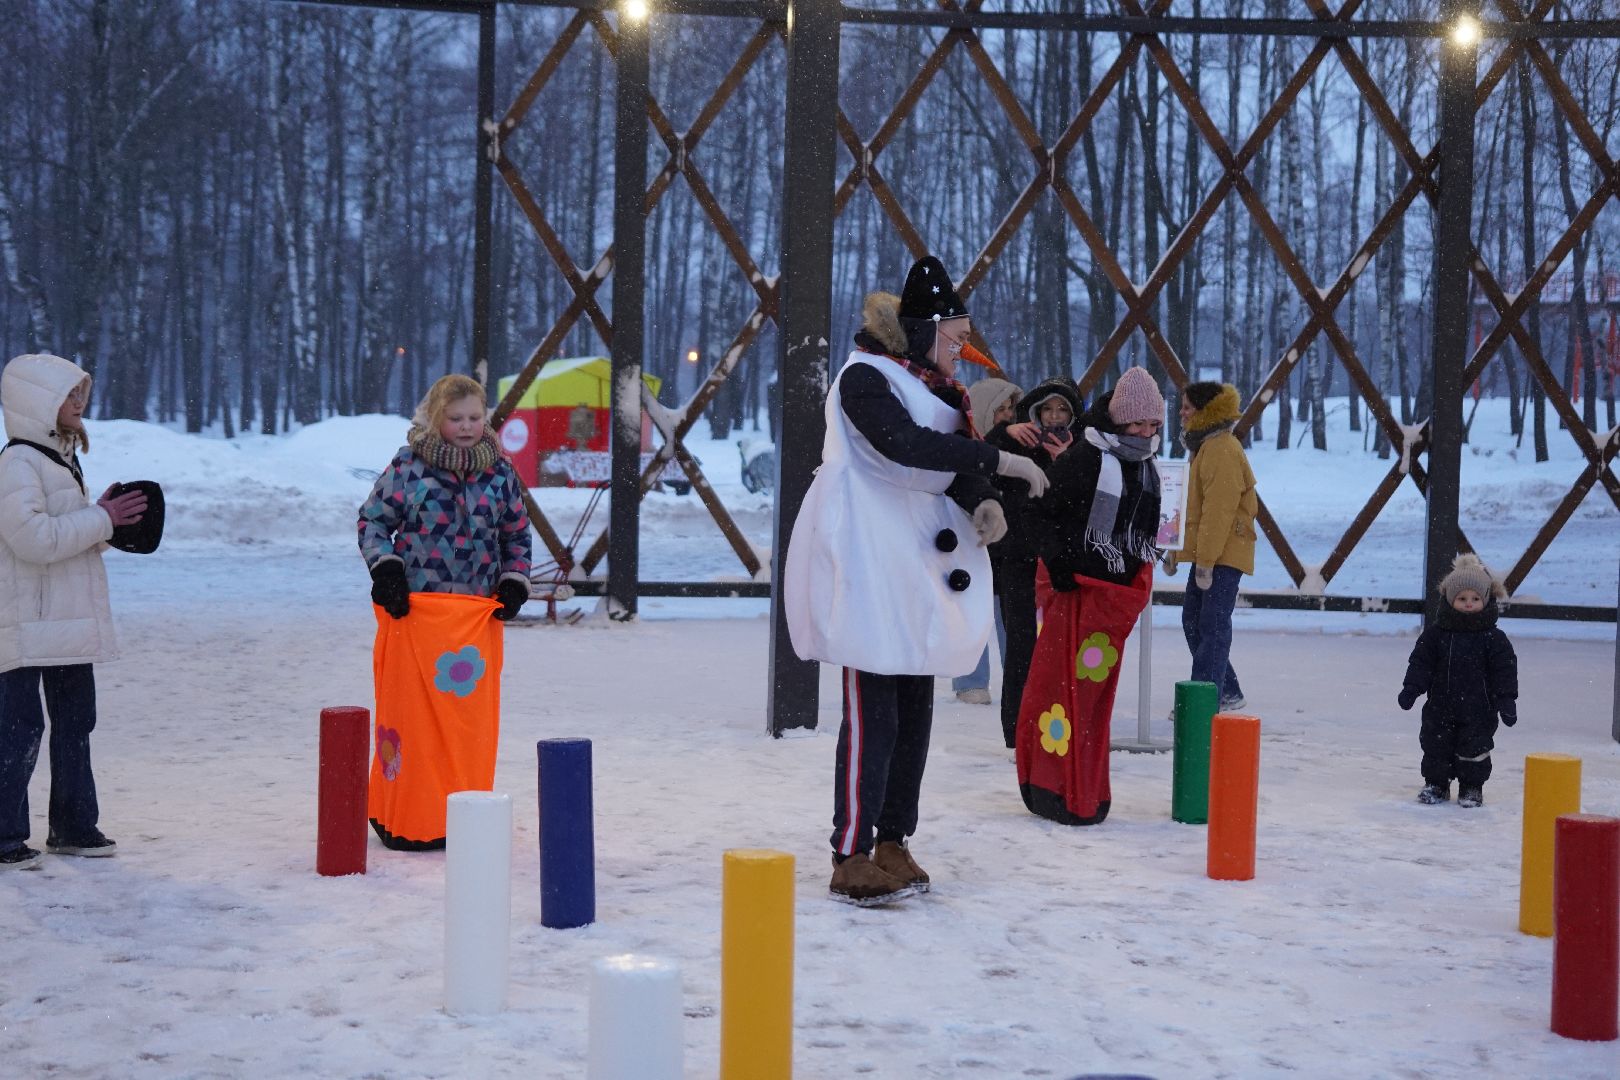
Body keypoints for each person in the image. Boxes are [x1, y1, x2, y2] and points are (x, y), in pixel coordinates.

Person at [784, 255, 1049, 905]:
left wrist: (980, 495)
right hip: (869, 555)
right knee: (873, 704)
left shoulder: (929, 385)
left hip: (914, 561)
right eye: (956, 339)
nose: (963, 352)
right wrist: (998, 459)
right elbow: (902, 446)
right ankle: (850, 848)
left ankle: (893, 837)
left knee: (913, 705)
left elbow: (941, 458)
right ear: (926, 330)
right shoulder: (865, 379)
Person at [357, 374, 533, 850]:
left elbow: (516, 534)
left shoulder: (499, 471)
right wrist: (386, 569)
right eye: (455, 418)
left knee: (466, 726)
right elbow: (373, 521)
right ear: (436, 418)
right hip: (415, 615)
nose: (466, 426)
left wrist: (514, 580)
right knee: (413, 724)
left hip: (474, 623)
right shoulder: (409, 466)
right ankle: (411, 817)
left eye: (475, 417)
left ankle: (464, 813)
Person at [0, 353, 149, 869]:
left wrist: (104, 521)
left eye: (82, 390)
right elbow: (33, 541)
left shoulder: (57, 458)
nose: (80, 401)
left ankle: (73, 825)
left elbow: (69, 540)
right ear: (38, 401)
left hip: (63, 621)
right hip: (26, 623)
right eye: (69, 392)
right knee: (18, 729)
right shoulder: (18, 462)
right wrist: (100, 518)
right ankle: (3, 834)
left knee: (74, 723)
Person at [1016, 367, 1164, 825]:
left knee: (1094, 701)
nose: (1145, 433)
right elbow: (1040, 514)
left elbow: (1139, 530)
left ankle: (1083, 787)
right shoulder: (1087, 457)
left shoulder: (1145, 464)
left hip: (1111, 599)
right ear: (1119, 421)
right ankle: (1054, 786)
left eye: (1153, 425)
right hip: (1076, 590)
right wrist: (1060, 564)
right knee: (1062, 693)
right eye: (1137, 424)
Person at [981, 376, 1082, 747]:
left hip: (1059, 564)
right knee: (1021, 646)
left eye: (1062, 410)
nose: (1054, 418)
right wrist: (1008, 432)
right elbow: (984, 464)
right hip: (1019, 560)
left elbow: (1075, 504)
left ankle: (1055, 727)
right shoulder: (1017, 441)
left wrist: (1064, 464)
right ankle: (1017, 731)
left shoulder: (1081, 448)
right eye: (1048, 410)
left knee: (1059, 649)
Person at [1398, 554, 1519, 808]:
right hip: (1440, 705)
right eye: (1462, 598)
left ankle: (1471, 786)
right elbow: (1421, 663)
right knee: (1435, 745)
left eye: (1475, 599)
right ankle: (1436, 784)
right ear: (1450, 599)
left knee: (1475, 748)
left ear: (1485, 600)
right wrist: (1412, 688)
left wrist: (1507, 699)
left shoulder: (1493, 639)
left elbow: (1504, 669)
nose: (1468, 604)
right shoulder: (1436, 635)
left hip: (1480, 708)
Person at [1168, 381, 1257, 712]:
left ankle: (1205, 699)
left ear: (1206, 412)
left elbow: (1218, 512)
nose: (1181, 412)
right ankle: (1225, 689)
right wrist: (1177, 551)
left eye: (1188, 407)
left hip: (1222, 554)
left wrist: (1205, 562)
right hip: (1212, 553)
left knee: (1211, 624)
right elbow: (1194, 510)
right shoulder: (1205, 447)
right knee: (1196, 619)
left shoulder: (1221, 450)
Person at [952, 376, 1022, 707]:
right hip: (973, 543)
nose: (1007, 415)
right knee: (974, 613)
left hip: (1009, 548)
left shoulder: (1020, 448)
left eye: (1011, 408)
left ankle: (1016, 673)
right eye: (1000, 408)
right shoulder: (964, 447)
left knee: (1010, 615)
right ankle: (970, 679)